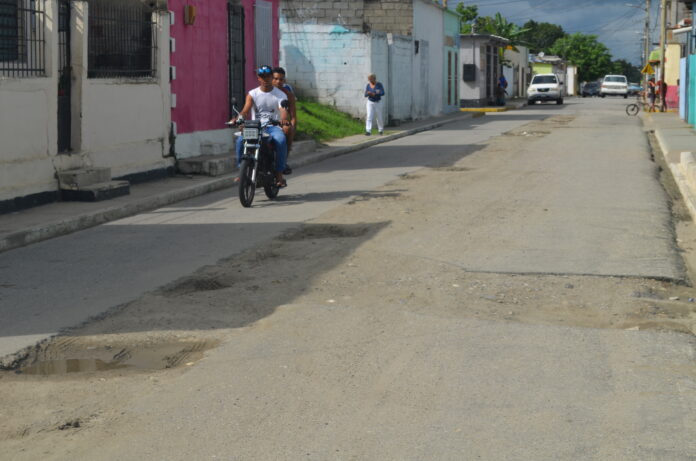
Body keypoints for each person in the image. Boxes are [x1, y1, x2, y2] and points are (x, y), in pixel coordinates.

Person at [230, 65, 290, 188]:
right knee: (240, 141)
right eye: (263, 76)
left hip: (273, 127)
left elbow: (283, 109)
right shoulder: (253, 94)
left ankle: (279, 174)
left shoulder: (280, 95)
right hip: (255, 127)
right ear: (258, 78)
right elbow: (245, 110)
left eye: (268, 76)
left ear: (271, 77)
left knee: (280, 140)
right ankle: (241, 170)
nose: (265, 79)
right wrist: (238, 118)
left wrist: (283, 119)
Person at [272, 67, 297, 175]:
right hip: (264, 124)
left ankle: (283, 161)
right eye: (275, 78)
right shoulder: (260, 92)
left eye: (281, 79)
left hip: (280, 124)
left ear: (284, 81)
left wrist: (292, 127)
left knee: (288, 129)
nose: (278, 82)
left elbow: (293, 116)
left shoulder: (288, 95)